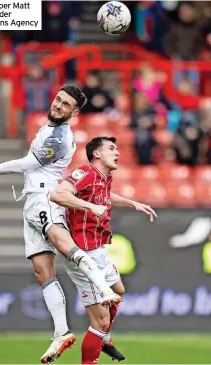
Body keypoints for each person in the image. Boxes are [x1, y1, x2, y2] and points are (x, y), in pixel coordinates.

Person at [0, 85, 121, 364]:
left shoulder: (59, 138)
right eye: (58, 99)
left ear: (74, 112)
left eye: (65, 104)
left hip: (45, 198)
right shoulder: (49, 129)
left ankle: (103, 290)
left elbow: (26, 164)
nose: (58, 105)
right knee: (42, 273)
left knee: (63, 243)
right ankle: (61, 332)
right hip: (32, 202)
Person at [50, 136, 157, 364]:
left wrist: (133, 203)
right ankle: (92, 356)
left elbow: (105, 198)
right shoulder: (85, 173)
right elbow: (58, 194)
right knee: (100, 320)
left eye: (117, 148)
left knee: (118, 290)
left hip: (98, 250)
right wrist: (89, 206)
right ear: (96, 154)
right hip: (82, 255)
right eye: (111, 148)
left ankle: (105, 339)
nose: (117, 152)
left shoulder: (103, 177)